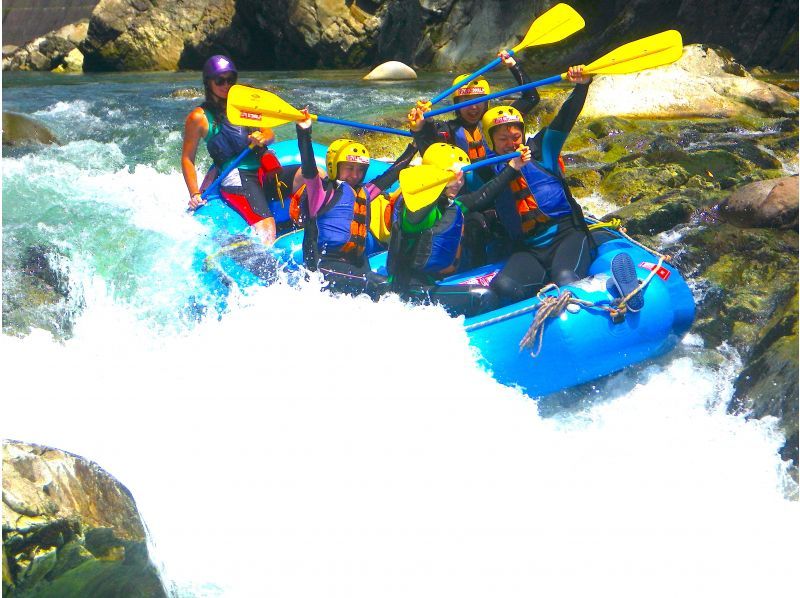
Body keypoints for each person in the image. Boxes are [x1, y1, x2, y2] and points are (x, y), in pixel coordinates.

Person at [473, 64, 616, 303]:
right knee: (504, 286)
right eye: (503, 139)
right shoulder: (486, 169)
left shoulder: (542, 149)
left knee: (565, 277)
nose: (511, 144)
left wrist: (582, 86)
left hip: (566, 234)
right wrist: (420, 131)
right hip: (529, 248)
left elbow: (565, 117)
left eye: (516, 137)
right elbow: (463, 190)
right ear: (491, 142)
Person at [386, 142, 531, 316]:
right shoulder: (414, 208)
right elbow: (414, 189)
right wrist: (434, 179)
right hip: (409, 289)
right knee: (484, 297)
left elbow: (482, 195)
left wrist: (513, 167)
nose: (458, 182)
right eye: (453, 176)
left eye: (461, 177)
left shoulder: (450, 205)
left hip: (431, 284)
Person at [295, 109, 416, 296]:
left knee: (391, 283)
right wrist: (304, 133)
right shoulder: (322, 192)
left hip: (356, 266)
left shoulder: (364, 192)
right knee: (384, 287)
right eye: (349, 168)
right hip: (324, 268)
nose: (355, 175)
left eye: (360, 170)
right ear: (334, 166)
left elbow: (392, 174)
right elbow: (309, 169)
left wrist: (416, 142)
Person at [181, 55, 278, 244]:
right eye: (220, 80)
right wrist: (194, 193)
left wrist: (263, 137)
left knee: (305, 177)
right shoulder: (199, 117)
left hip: (261, 166)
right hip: (237, 173)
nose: (226, 85)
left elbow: (269, 132)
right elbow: (187, 159)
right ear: (208, 83)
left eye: (230, 80)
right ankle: (263, 261)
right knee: (267, 226)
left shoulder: (244, 105)